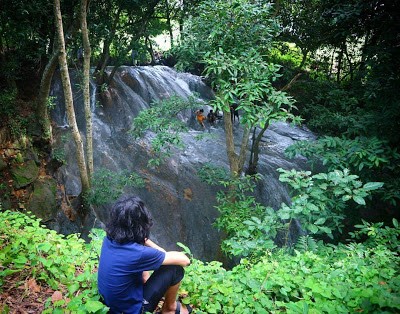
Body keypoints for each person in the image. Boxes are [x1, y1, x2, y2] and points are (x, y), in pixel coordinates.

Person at [98, 196, 192, 314]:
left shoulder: (109, 239)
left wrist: (141, 239)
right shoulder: (137, 253)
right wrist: (145, 239)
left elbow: (143, 277)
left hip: (110, 306)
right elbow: (185, 260)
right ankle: (170, 309)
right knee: (175, 269)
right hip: (132, 311)